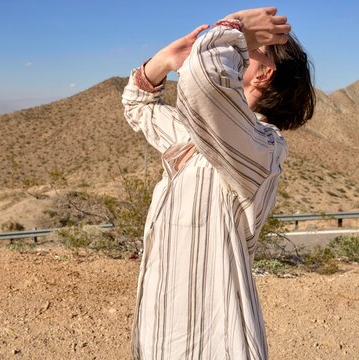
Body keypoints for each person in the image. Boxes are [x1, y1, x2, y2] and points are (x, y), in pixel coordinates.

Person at [122, 7, 315, 359]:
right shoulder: (201, 137)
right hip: (162, 332)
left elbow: (204, 79)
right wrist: (162, 63)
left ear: (263, 74)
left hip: (214, 343)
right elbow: (138, 105)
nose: (243, 47)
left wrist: (235, 27)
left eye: (252, 48)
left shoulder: (262, 147)